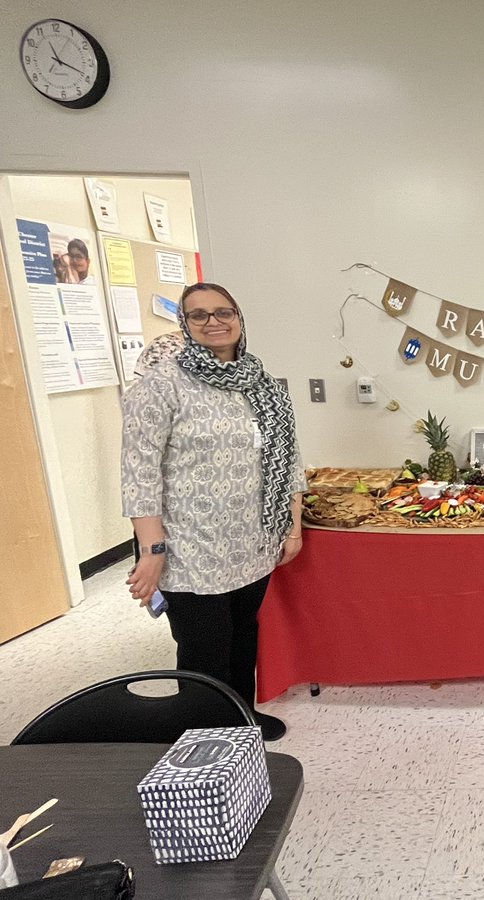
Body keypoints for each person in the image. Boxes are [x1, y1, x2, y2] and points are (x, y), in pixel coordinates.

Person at [121, 282, 305, 741]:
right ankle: (205, 737)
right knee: (204, 648)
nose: (213, 322)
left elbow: (290, 459)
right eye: (199, 315)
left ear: (239, 319)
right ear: (185, 324)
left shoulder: (262, 384)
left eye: (224, 312)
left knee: (243, 636)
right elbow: (139, 471)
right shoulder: (162, 384)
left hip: (252, 541)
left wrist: (292, 527)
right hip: (190, 548)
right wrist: (152, 550)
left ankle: (241, 721)